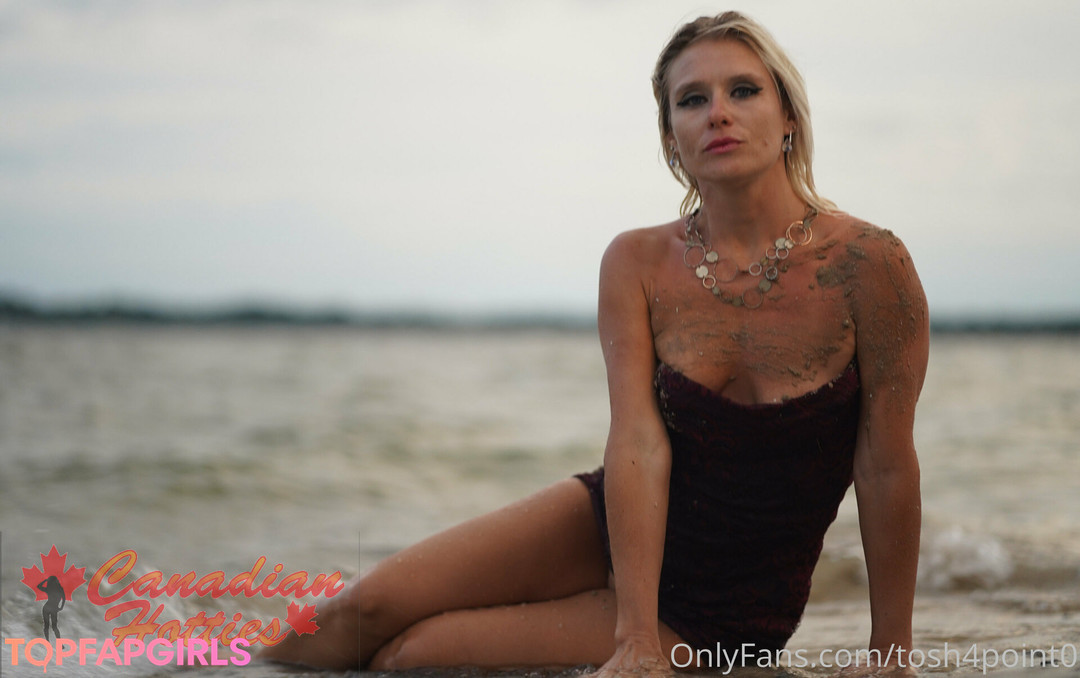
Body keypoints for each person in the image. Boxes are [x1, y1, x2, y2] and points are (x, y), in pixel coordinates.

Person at [261, 10, 927, 675]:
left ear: (789, 118)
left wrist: (890, 653)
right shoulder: (638, 261)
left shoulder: (868, 264)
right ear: (671, 137)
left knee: (413, 656)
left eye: (743, 90)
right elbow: (637, 441)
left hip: (717, 614)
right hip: (610, 528)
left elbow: (885, 464)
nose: (718, 114)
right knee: (359, 611)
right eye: (692, 100)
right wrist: (631, 638)